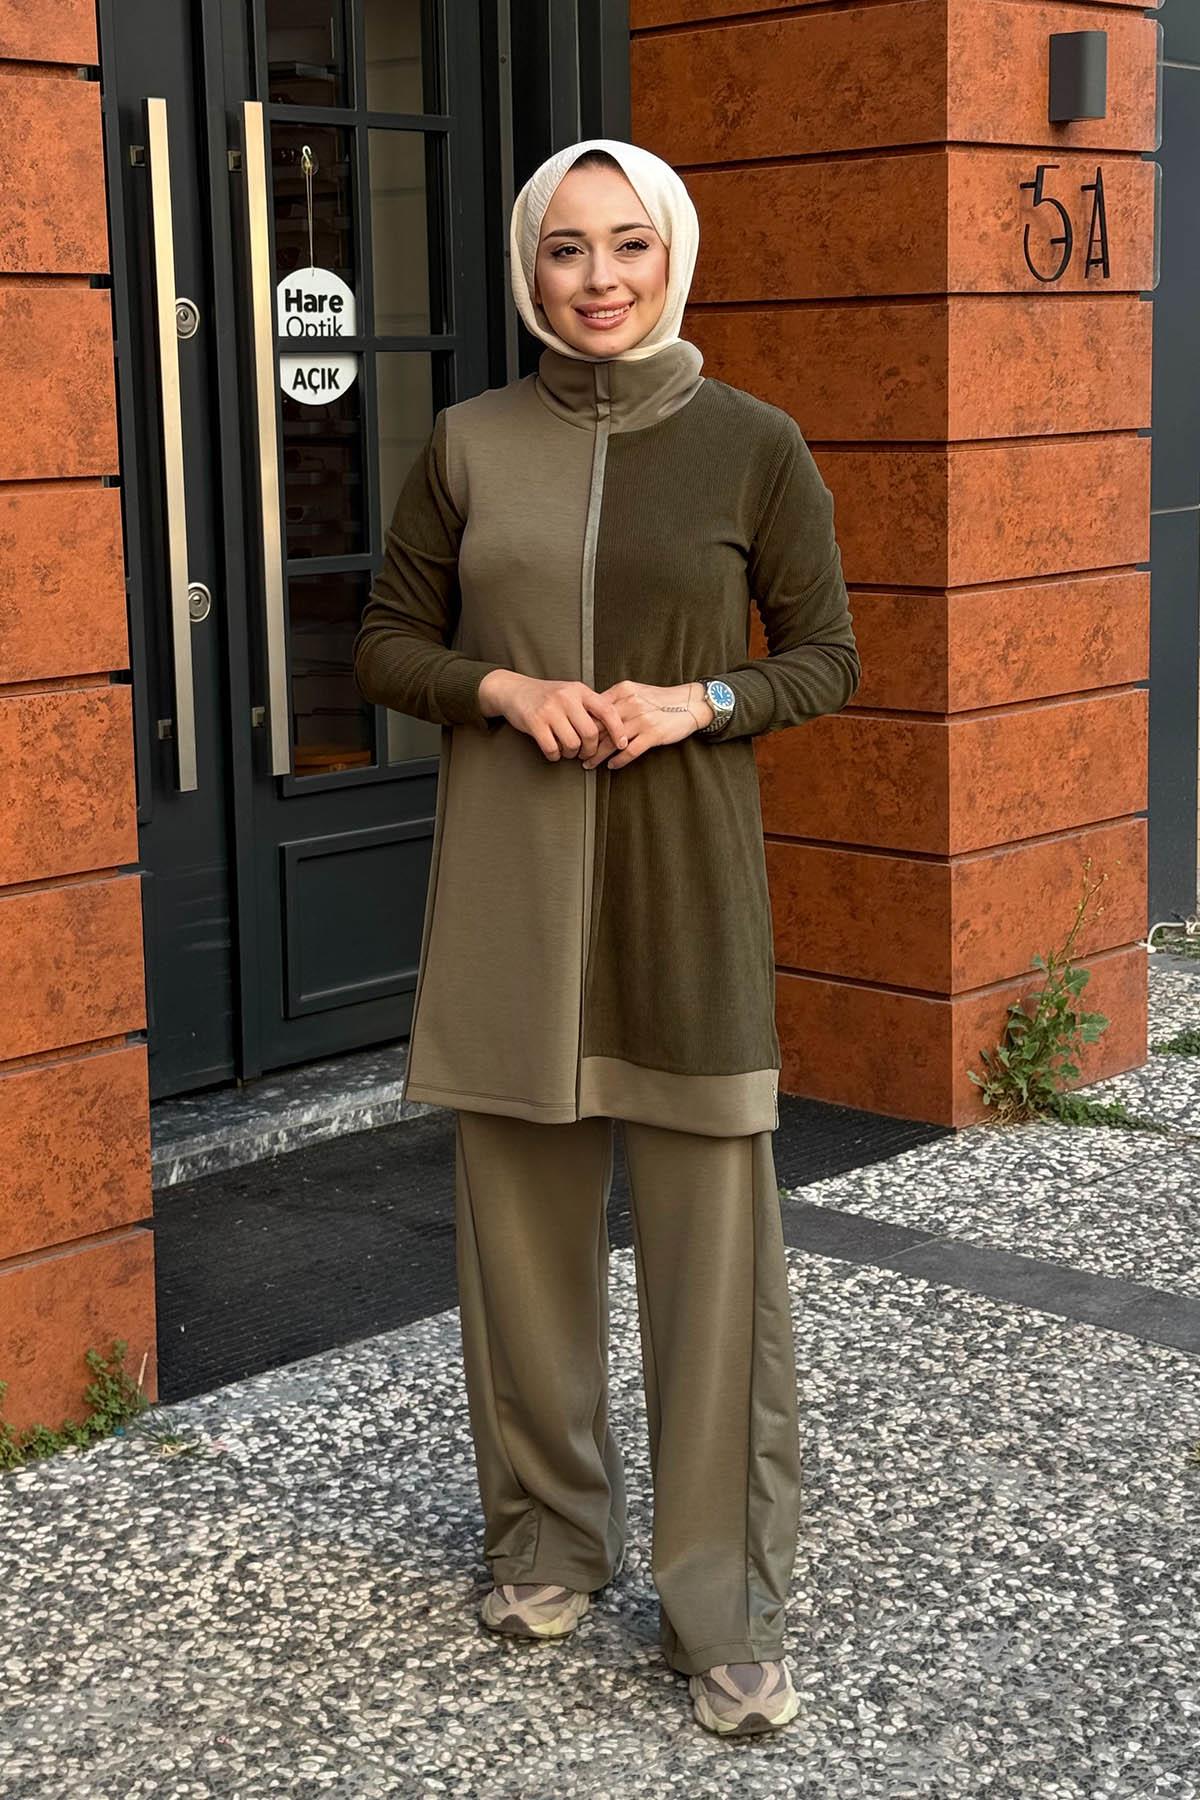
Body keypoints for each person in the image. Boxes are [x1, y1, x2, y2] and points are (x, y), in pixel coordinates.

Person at [352, 136, 860, 1737]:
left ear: (672, 254)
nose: (598, 279)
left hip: (683, 902)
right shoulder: (468, 442)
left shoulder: (754, 444)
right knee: (519, 1258)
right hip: (511, 904)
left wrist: (702, 699)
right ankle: (546, 1542)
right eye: (565, 248)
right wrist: (501, 687)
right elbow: (385, 641)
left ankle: (724, 1606)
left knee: (717, 1273)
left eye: (628, 244)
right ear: (530, 266)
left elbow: (826, 655)